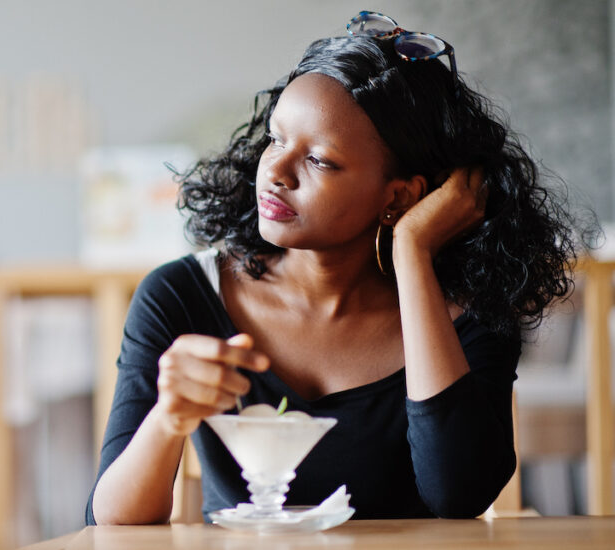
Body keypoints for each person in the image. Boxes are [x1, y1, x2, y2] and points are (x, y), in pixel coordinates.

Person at [86, 11, 579, 524]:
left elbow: (459, 496)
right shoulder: (182, 295)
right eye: (275, 139)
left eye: (319, 160)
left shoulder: (470, 315)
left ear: (399, 196)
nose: (274, 171)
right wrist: (169, 418)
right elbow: (114, 521)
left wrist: (412, 251)